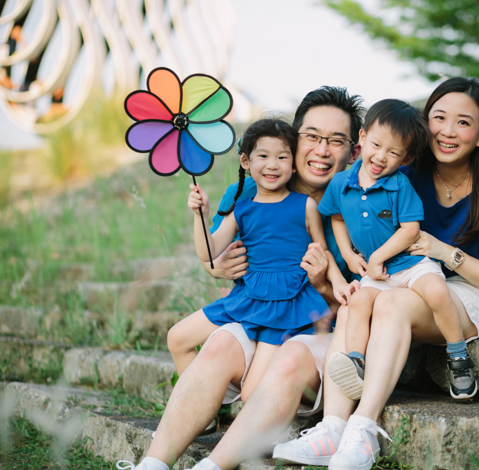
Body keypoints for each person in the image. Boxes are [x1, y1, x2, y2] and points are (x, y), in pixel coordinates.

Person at [275, 77, 479, 470]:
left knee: (392, 305)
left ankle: (363, 433)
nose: (448, 131)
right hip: (409, 280)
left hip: (478, 295)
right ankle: (332, 428)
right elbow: (347, 202)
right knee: (355, 301)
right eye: (439, 118)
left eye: (463, 123)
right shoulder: (404, 173)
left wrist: (445, 252)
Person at [115, 86, 364, 470]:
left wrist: (322, 284)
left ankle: (215, 464)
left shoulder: (358, 204)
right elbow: (214, 256)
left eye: (336, 141)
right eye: (311, 137)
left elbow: (354, 300)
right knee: (215, 345)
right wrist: (217, 265)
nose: (321, 149)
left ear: (355, 151)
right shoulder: (246, 193)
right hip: (257, 311)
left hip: (316, 330)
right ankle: (153, 464)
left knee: (287, 359)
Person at [318, 99, 477, 402]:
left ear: (405, 159)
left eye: (393, 153)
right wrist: (350, 255)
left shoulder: (400, 185)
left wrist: (377, 256)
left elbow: (411, 230)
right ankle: (355, 360)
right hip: (376, 275)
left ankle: (458, 355)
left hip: (411, 263)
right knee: (359, 303)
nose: (381, 157)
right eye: (376, 145)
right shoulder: (341, 183)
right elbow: (336, 217)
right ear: (363, 138)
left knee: (437, 291)